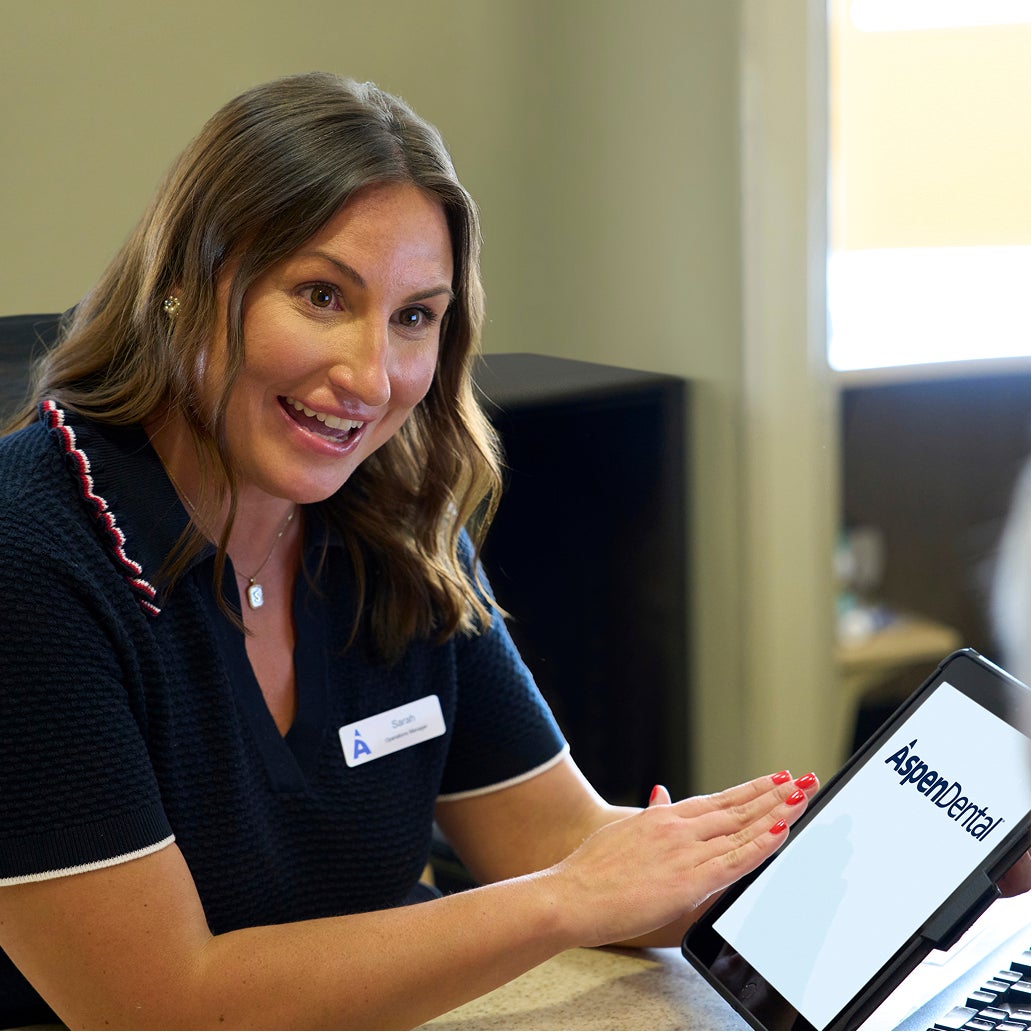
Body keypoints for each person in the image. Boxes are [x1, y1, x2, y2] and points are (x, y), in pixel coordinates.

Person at [0, 71, 823, 1029]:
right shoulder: (31, 558)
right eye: (319, 295)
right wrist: (564, 900)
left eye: (414, 318)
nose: (371, 377)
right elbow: (158, 1005)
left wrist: (889, 869)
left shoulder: (389, 522)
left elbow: (566, 841)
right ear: (187, 284)